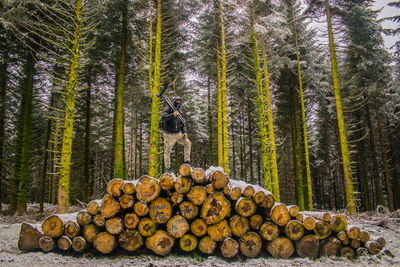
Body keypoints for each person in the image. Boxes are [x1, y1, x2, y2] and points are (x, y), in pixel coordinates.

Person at [160, 96, 191, 173]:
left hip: (178, 134)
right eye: (177, 101)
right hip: (169, 135)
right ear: (174, 101)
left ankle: (187, 161)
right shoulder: (168, 109)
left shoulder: (180, 112)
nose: (178, 103)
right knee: (167, 151)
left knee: (188, 143)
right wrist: (172, 115)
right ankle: (168, 168)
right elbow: (163, 117)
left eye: (180, 101)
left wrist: (184, 132)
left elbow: (183, 123)